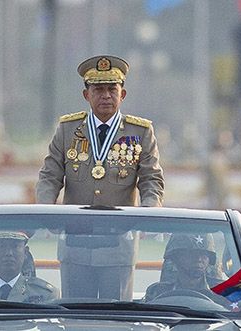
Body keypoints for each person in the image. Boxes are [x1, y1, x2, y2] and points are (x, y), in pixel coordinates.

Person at [36, 55, 165, 300]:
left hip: (118, 245)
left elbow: (152, 180)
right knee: (75, 319)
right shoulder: (67, 130)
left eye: (111, 89)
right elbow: (49, 175)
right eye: (98, 89)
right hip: (75, 243)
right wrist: (45, 210)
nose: (106, 95)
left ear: (122, 94)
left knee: (115, 321)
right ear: (87, 95)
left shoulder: (140, 132)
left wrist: (149, 212)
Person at [144, 233, 229, 308]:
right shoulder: (156, 292)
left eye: (204, 254)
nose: (199, 259)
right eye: (191, 253)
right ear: (176, 258)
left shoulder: (225, 293)